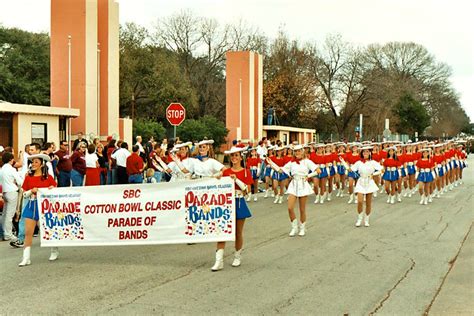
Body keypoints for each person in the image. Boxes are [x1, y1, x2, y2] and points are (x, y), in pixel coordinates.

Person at [211, 146, 253, 271]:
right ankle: (219, 260)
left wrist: (237, 180)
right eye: (232, 156)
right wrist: (216, 177)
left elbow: (248, 192)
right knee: (222, 231)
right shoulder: (226, 172)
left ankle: (237, 256)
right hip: (226, 203)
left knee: (238, 232)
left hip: (239, 202)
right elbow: (214, 183)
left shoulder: (245, 172)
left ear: (241, 157)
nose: (234, 158)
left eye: (236, 155)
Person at [267, 144, 320, 237]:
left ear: (302, 151)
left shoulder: (307, 162)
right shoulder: (291, 162)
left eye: (299, 151)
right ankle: (294, 227)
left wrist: (308, 176)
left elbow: (318, 170)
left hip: (303, 184)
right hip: (294, 184)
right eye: (295, 151)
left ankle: (302, 228)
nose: (297, 153)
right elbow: (280, 170)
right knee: (290, 208)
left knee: (302, 209)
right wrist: (272, 164)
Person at [18, 154, 58, 266]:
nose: (33, 164)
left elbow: (55, 190)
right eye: (32, 162)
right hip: (31, 205)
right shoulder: (28, 177)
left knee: (47, 230)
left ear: (42, 164)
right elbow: (24, 193)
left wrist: (51, 189)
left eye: (36, 162)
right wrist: (31, 191)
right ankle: (26, 258)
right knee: (28, 233)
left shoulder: (48, 177)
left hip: (44, 207)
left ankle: (54, 249)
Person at [343, 146, 382, 227]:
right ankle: (359, 219)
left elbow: (382, 170)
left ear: (370, 153)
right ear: (361, 153)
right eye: (364, 152)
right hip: (361, 182)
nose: (365, 153)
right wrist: (343, 163)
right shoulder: (359, 162)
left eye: (367, 151)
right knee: (360, 201)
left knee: (368, 203)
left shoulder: (373, 162)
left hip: (369, 182)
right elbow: (351, 169)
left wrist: (373, 174)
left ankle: (366, 219)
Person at [1, 152, 23, 242]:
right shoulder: (12, 169)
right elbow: (20, 181)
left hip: (4, 192)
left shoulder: (2, 169)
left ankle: (4, 232)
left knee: (5, 214)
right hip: (12, 191)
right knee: (10, 215)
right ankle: (8, 234)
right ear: (11, 160)